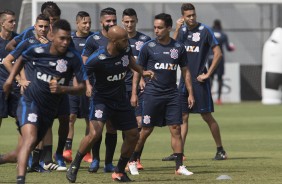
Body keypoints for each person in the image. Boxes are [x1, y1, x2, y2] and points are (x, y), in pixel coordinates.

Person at [66, 25, 154, 183]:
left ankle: (119, 171)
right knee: (95, 133)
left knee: (133, 135)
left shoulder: (125, 51)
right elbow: (82, 73)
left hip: (121, 100)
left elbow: (132, 64)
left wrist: (143, 72)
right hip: (101, 100)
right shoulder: (97, 59)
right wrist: (85, 86)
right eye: (124, 40)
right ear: (113, 41)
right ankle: (75, 165)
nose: (128, 42)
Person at [3, 19, 86, 184]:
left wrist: (64, 89)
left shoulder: (73, 57)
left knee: (16, 154)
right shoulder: (37, 49)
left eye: (68, 39)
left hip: (48, 111)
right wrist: (12, 79)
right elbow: (20, 60)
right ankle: (21, 180)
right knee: (31, 138)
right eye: (62, 38)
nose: (65, 42)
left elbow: (82, 87)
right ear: (52, 36)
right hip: (30, 102)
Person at [128, 13, 194, 176]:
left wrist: (190, 93)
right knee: (145, 130)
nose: (156, 30)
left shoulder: (178, 48)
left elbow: (185, 72)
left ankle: (179, 166)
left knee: (175, 128)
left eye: (160, 27)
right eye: (155, 27)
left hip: (172, 94)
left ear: (169, 28)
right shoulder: (148, 47)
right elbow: (137, 71)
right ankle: (132, 160)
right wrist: (134, 94)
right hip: (152, 94)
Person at [163, 3, 227, 161]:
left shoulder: (205, 30)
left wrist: (208, 74)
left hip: (199, 81)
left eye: (193, 15)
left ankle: (221, 150)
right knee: (182, 116)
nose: (191, 18)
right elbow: (171, 48)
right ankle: (180, 153)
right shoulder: (182, 31)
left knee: (206, 116)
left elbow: (218, 53)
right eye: (188, 16)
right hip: (184, 81)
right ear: (183, 17)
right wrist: (177, 29)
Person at [2, 14, 50, 173]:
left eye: (45, 26)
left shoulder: (52, 45)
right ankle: (24, 161)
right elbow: (9, 60)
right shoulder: (27, 42)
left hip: (40, 92)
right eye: (40, 26)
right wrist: (20, 78)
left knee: (30, 127)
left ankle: (29, 161)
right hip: (19, 90)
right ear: (34, 27)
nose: (43, 29)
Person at [81, 7, 118, 173]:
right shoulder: (93, 39)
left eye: (113, 21)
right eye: (108, 21)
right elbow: (84, 65)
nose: (111, 23)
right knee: (97, 128)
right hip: (98, 91)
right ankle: (95, 159)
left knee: (112, 126)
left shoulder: (119, 38)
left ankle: (108, 163)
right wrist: (88, 85)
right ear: (101, 22)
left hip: (116, 90)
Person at [121, 8, 151, 171]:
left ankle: (135, 158)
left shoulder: (145, 40)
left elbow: (149, 62)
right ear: (122, 22)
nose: (129, 24)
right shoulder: (118, 39)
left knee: (140, 122)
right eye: (126, 22)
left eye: (132, 21)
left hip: (140, 88)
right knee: (125, 125)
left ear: (136, 21)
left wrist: (142, 78)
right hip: (120, 87)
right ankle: (125, 159)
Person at [63, 11, 93, 163]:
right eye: (84, 23)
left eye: (89, 22)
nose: (87, 25)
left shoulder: (94, 39)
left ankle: (87, 151)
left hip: (90, 85)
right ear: (77, 23)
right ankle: (67, 149)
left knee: (90, 118)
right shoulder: (70, 39)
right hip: (72, 84)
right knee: (71, 116)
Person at [208, 19, 235, 105]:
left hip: (210, 58)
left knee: (210, 78)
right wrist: (232, 48)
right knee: (219, 79)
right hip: (219, 58)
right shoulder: (223, 35)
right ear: (220, 25)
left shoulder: (210, 33)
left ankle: (208, 98)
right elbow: (228, 48)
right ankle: (219, 99)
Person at [0, 9, 19, 128]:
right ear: (2, 23)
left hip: (17, 86)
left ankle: (24, 147)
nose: (14, 23)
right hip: (0, 87)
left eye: (15, 21)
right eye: (11, 21)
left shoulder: (19, 40)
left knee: (22, 122)